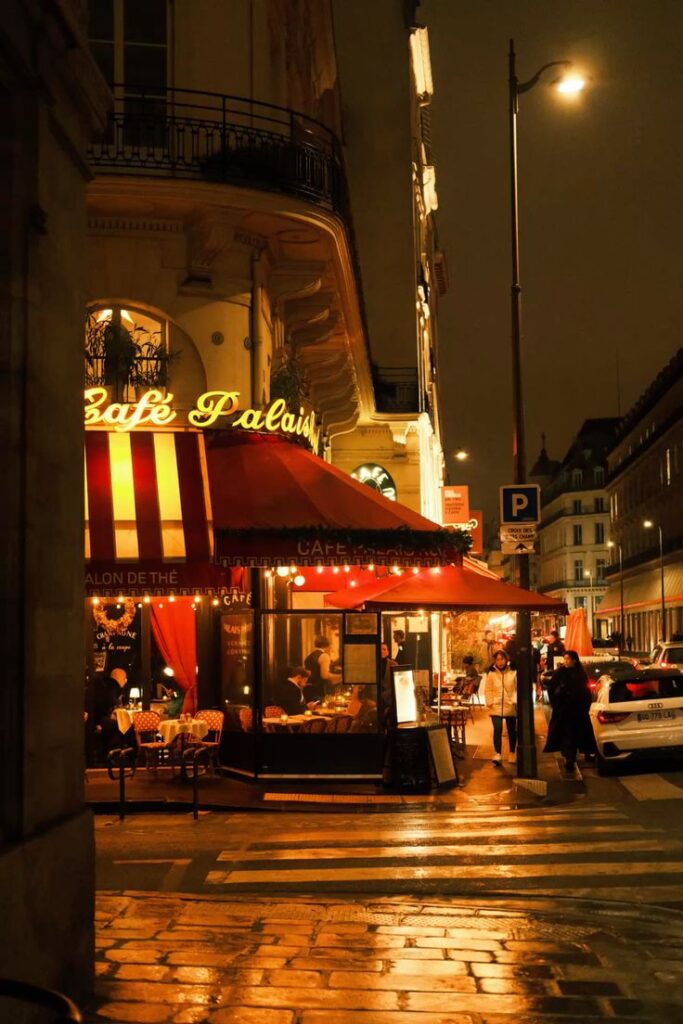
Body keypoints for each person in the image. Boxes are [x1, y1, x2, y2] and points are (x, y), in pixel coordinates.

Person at [543, 650, 595, 774]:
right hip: (565, 710)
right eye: (564, 659)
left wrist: (585, 704)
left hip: (578, 709)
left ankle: (586, 752)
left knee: (581, 732)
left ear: (574, 660)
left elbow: (585, 690)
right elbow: (551, 686)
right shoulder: (560, 672)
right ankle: (569, 759)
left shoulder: (580, 673)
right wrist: (557, 702)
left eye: (568, 659)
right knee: (568, 734)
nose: (565, 661)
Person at [484, 650, 517, 766]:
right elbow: (488, 689)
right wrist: (489, 701)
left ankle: (512, 752)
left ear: (506, 659)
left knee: (512, 731)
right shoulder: (492, 673)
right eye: (497, 659)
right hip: (496, 705)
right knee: (497, 729)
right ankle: (497, 753)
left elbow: (517, 688)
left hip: (510, 705)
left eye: (502, 659)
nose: (500, 662)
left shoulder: (513, 672)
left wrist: (514, 700)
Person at [304, 636, 341, 702]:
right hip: (318, 690)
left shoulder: (309, 656)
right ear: (327, 645)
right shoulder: (324, 656)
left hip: (307, 688)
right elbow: (325, 675)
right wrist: (340, 676)